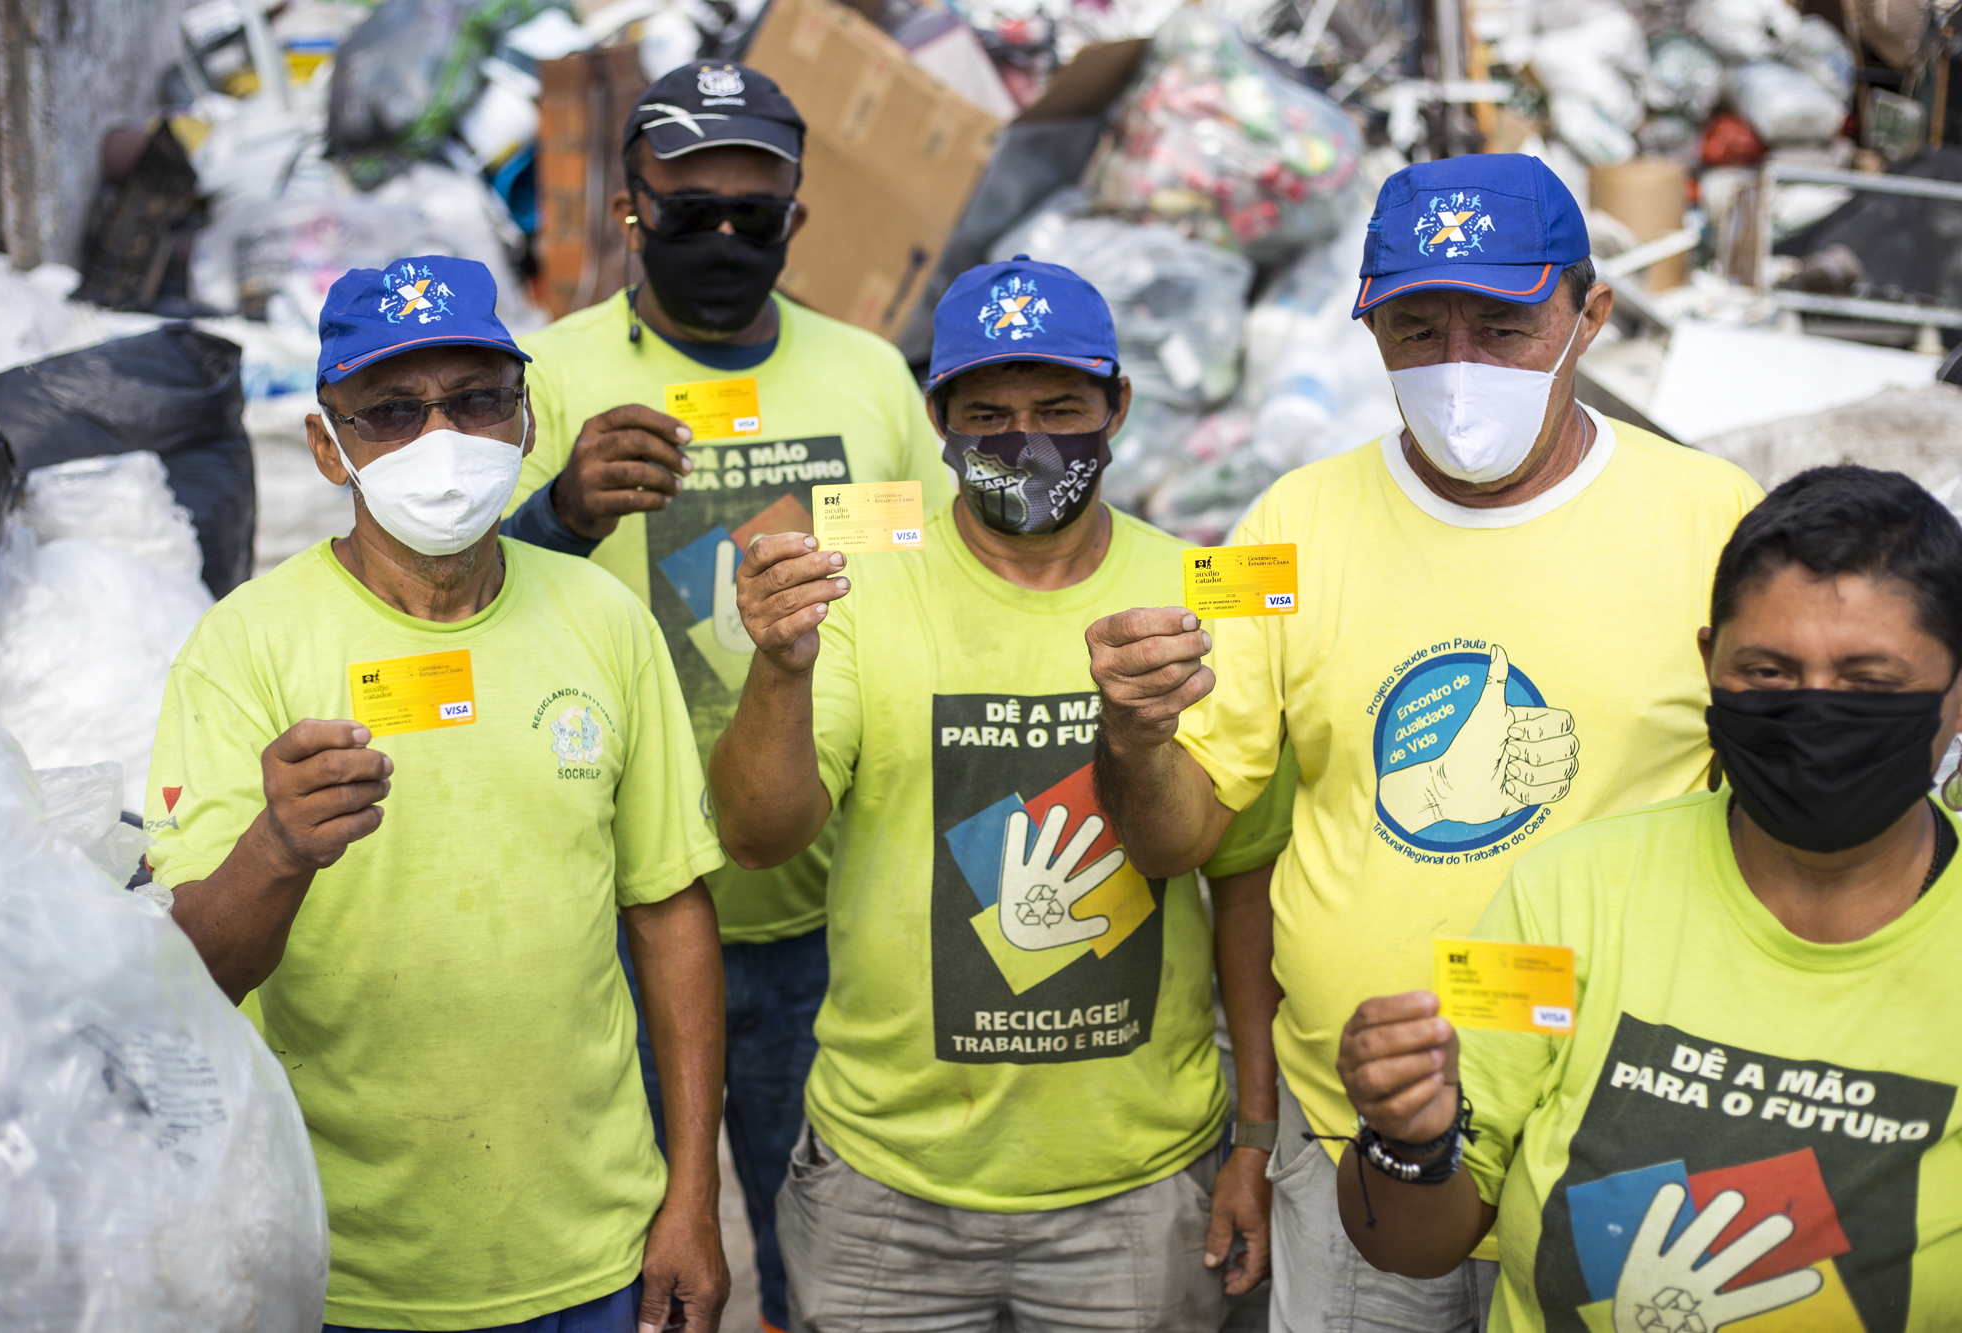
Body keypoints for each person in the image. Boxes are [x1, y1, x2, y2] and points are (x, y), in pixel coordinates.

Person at [1084, 153, 1764, 1332]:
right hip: (1354, 1138)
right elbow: (1174, 836)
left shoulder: (1713, 520)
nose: (1457, 369)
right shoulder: (1289, 527)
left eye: (1500, 329)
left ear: (1587, 316)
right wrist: (1132, 733)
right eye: (1414, 328)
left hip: (1607, 1135)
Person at [146, 256, 730, 1333]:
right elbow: (190, 978)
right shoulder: (245, 650)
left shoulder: (600, 617)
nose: (441, 442)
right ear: (328, 445)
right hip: (351, 1271)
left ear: (522, 419)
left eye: (475, 401)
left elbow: (668, 909)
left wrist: (691, 1194)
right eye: (390, 413)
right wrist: (277, 846)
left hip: (593, 1251)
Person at [706, 256, 1283, 1332]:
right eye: (990, 412)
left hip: (1137, 1191)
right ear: (938, 422)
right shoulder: (859, 592)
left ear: (1116, 405)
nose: (1026, 438)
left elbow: (1240, 882)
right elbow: (756, 835)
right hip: (886, 1190)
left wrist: (1253, 1134)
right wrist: (776, 667)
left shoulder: (1195, 601)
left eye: (1060, 407)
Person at [500, 64, 949, 1332]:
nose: (721, 241)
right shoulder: (541, 378)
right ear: (628, 210)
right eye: (686, 212)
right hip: (621, 922)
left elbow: (929, 602)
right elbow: (463, 614)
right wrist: (563, 512)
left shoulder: (868, 379)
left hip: (835, 919)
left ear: (799, 218)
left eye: (752, 217)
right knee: (639, 1278)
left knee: (835, 1277)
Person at [1335, 464, 1962, 1330]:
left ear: (1957, 686)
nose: (1816, 713)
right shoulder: (1564, 889)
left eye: (1870, 682)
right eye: (1770, 673)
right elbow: (1413, 1243)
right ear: (1709, 663)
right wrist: (1406, 1137)